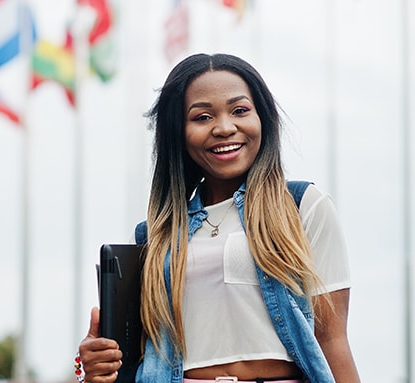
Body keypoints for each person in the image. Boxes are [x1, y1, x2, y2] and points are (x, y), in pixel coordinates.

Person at [76, 53, 360, 383]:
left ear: (262, 119)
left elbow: (332, 340)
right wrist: (91, 364)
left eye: (240, 110)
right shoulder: (154, 236)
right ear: (178, 132)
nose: (224, 128)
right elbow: (133, 356)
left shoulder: (302, 206)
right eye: (202, 117)